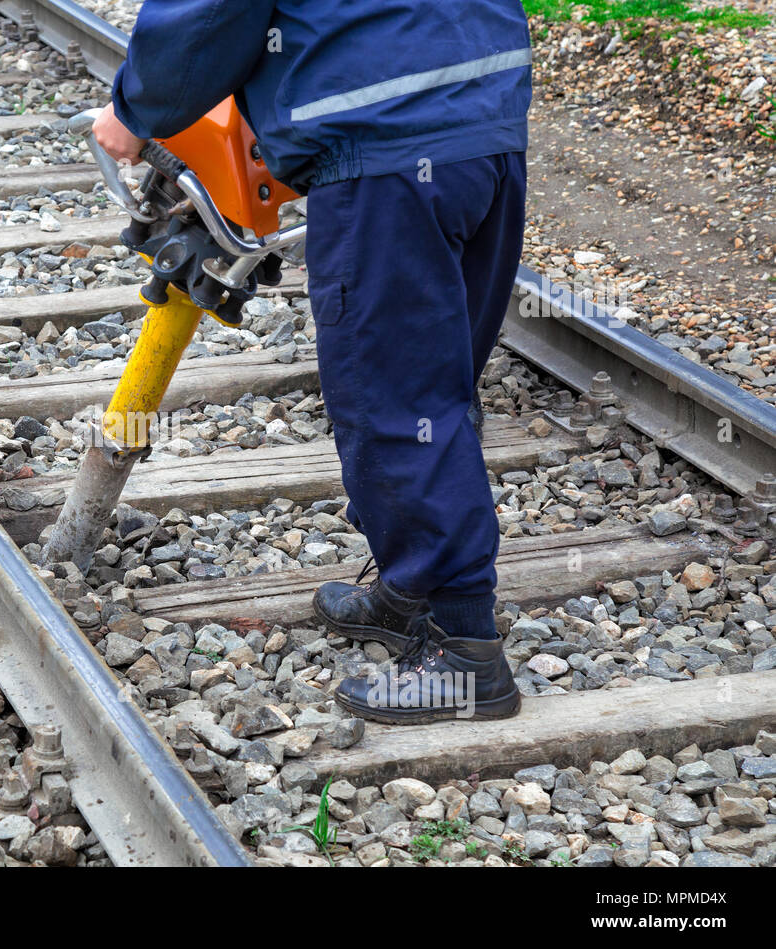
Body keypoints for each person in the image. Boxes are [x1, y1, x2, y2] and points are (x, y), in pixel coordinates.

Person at [94, 0, 532, 722]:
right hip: (483, 129)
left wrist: (134, 107)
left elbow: (207, 15)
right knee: (438, 376)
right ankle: (413, 589)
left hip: (386, 146)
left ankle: (466, 652)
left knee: (393, 395)